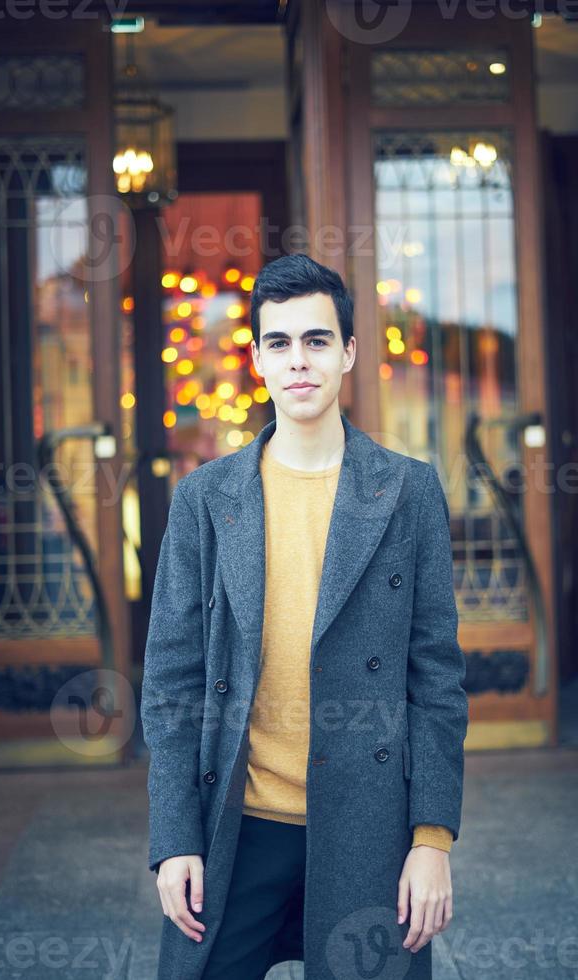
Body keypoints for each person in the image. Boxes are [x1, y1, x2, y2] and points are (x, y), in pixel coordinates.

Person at [141, 252, 469, 980]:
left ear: (349, 352)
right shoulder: (205, 499)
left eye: (317, 340)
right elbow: (171, 680)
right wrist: (174, 838)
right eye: (279, 342)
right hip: (236, 822)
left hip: (368, 828)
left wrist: (431, 840)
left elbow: (435, 678)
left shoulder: (408, 492)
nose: (299, 361)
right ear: (257, 357)